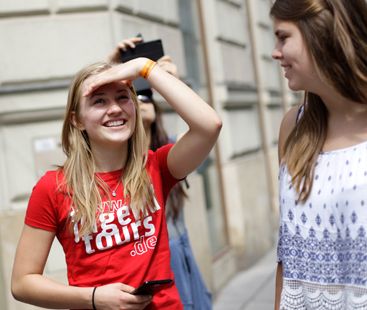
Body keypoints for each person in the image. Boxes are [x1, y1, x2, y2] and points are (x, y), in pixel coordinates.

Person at [11, 50, 222, 308]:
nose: (114, 109)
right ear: (77, 120)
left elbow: (209, 125)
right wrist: (93, 297)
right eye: (99, 101)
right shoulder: (53, 187)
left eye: (123, 98)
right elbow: (22, 282)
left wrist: (145, 68)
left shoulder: (156, 167)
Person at [270, 0, 367, 309]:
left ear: (319, 33)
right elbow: (286, 256)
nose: (275, 52)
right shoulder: (293, 127)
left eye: (283, 37)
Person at [109, 37, 212, 310]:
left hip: (179, 249)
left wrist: (170, 82)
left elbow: (205, 128)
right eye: (133, 97)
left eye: (146, 98)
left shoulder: (165, 156)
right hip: (149, 260)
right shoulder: (118, 155)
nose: (140, 103)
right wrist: (111, 67)